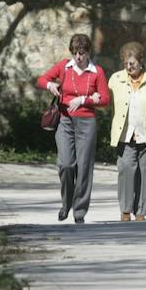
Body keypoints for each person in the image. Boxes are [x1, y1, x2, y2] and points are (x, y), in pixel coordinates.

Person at [36, 33, 108, 223]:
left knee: (84, 166)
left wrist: (84, 99)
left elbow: (105, 99)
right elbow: (41, 80)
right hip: (65, 121)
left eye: (81, 53)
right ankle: (66, 203)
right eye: (75, 53)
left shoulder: (97, 72)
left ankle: (79, 211)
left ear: (88, 52)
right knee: (66, 164)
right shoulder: (64, 67)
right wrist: (50, 84)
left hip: (86, 122)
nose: (78, 57)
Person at [107, 41, 146, 221]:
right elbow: (108, 105)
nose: (128, 67)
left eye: (132, 63)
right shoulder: (116, 79)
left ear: (141, 61)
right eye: (126, 63)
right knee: (126, 169)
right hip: (125, 135)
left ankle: (141, 211)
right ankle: (125, 210)